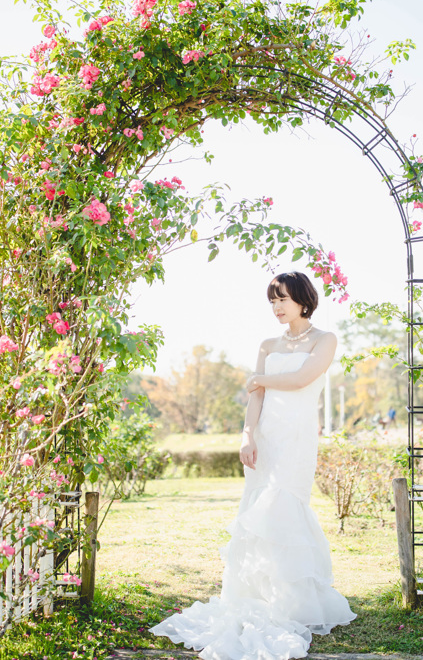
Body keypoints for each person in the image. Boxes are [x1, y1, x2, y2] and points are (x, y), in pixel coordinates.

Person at [151, 271, 356, 659]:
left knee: (284, 506)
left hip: (296, 438)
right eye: (272, 301)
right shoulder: (267, 343)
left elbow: (300, 379)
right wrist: (247, 435)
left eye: (282, 300)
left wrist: (259, 378)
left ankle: (293, 603)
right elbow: (256, 399)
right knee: (257, 507)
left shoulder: (323, 340)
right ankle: (258, 594)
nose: (277, 308)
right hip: (266, 437)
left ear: (302, 300)